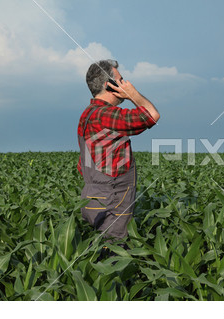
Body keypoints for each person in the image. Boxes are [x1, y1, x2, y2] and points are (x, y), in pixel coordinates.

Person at [77, 59, 160, 259]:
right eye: (120, 80)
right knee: (114, 257)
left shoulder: (87, 114)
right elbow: (152, 115)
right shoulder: (106, 115)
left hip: (92, 196)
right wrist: (133, 94)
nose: (124, 84)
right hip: (112, 200)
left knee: (99, 252)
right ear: (109, 85)